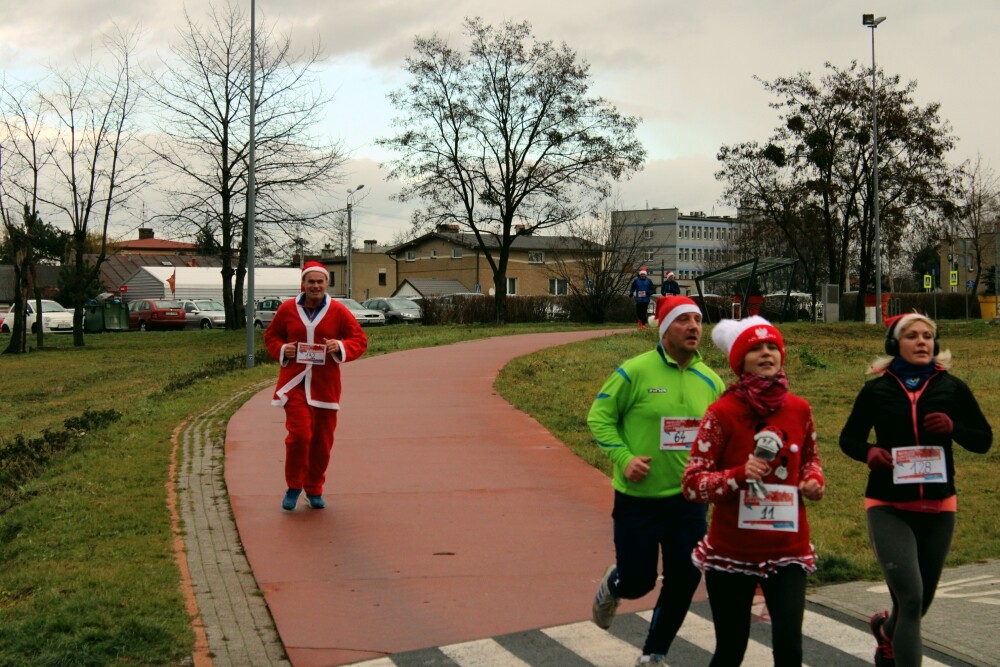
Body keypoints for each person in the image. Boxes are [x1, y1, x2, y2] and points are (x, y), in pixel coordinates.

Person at [839, 312, 992, 667]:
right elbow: (849, 438)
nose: (922, 341)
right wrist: (869, 453)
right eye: (912, 336)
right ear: (895, 344)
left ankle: (885, 631)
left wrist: (954, 427)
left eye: (927, 336)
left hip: (939, 506)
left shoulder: (952, 387)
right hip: (888, 505)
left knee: (920, 604)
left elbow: (984, 441)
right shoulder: (876, 389)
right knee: (910, 598)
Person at [588, 296, 725, 666]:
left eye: (698, 320)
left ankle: (653, 654)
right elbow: (598, 417)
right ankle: (615, 584)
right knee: (639, 582)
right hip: (639, 499)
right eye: (684, 320)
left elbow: (724, 434)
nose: (694, 327)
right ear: (665, 330)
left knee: (685, 578)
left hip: (689, 502)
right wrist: (625, 458)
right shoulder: (634, 371)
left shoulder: (711, 381)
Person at [681, 316, 825, 667]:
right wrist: (739, 476)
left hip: (787, 549)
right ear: (740, 361)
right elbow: (693, 484)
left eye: (772, 347)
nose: (766, 353)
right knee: (731, 650)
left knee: (790, 650)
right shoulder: (722, 413)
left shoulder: (799, 408)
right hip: (732, 552)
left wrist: (813, 480)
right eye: (756, 348)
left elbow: (810, 458)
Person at [264, 261, 369, 511]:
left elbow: (359, 340)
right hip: (295, 383)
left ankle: (314, 489)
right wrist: (282, 349)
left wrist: (340, 347)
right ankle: (293, 486)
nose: (315, 286)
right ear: (303, 284)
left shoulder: (338, 311)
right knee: (300, 435)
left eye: (319, 281)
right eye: (310, 281)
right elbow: (272, 336)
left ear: (326, 284)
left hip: (325, 387)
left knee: (322, 441)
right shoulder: (288, 309)